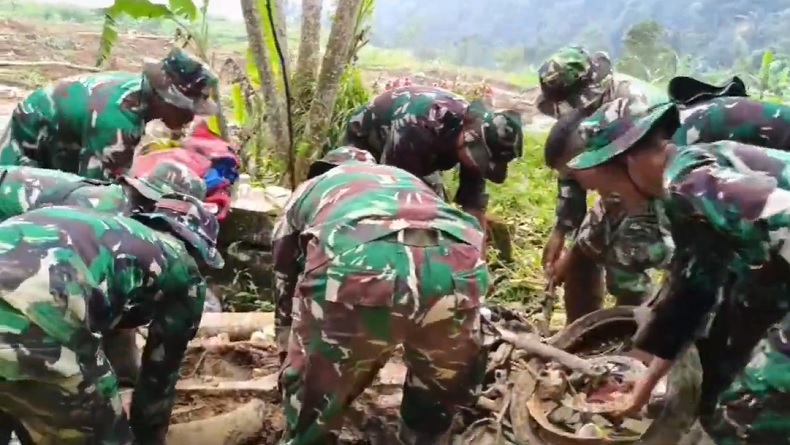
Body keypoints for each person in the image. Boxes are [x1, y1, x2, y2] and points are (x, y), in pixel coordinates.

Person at [564, 98, 790, 444]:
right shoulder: (686, 189)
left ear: (627, 161)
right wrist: (643, 387)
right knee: (727, 372)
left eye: (606, 186)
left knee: (744, 419)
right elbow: (693, 293)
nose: (608, 197)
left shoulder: (691, 181)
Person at [272, 146, 489, 445]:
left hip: (357, 260)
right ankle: (423, 435)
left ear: (326, 168)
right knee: (436, 388)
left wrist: (288, 343)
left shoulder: (311, 188)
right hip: (458, 260)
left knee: (317, 394)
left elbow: (284, 271)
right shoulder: (407, 180)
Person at [0, 192, 223, 444]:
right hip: (37, 320)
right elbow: (158, 380)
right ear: (198, 248)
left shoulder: (101, 227)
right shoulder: (182, 265)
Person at [543, 94, 790, 322]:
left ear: (603, 159)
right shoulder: (638, 168)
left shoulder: (684, 162)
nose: (583, 186)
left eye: (576, 176)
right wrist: (562, 234)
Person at [344, 85, 523, 257]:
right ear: (467, 138)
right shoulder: (417, 126)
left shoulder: (480, 139)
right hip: (367, 139)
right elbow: (396, 194)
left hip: (423, 152)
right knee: (374, 208)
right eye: (477, 158)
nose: (476, 165)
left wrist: (478, 262)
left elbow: (474, 210)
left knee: (435, 212)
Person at [0, 48, 219, 180]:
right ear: (165, 99)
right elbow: (98, 194)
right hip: (32, 136)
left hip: (63, 136)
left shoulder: (139, 94)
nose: (191, 117)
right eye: (188, 109)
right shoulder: (119, 120)